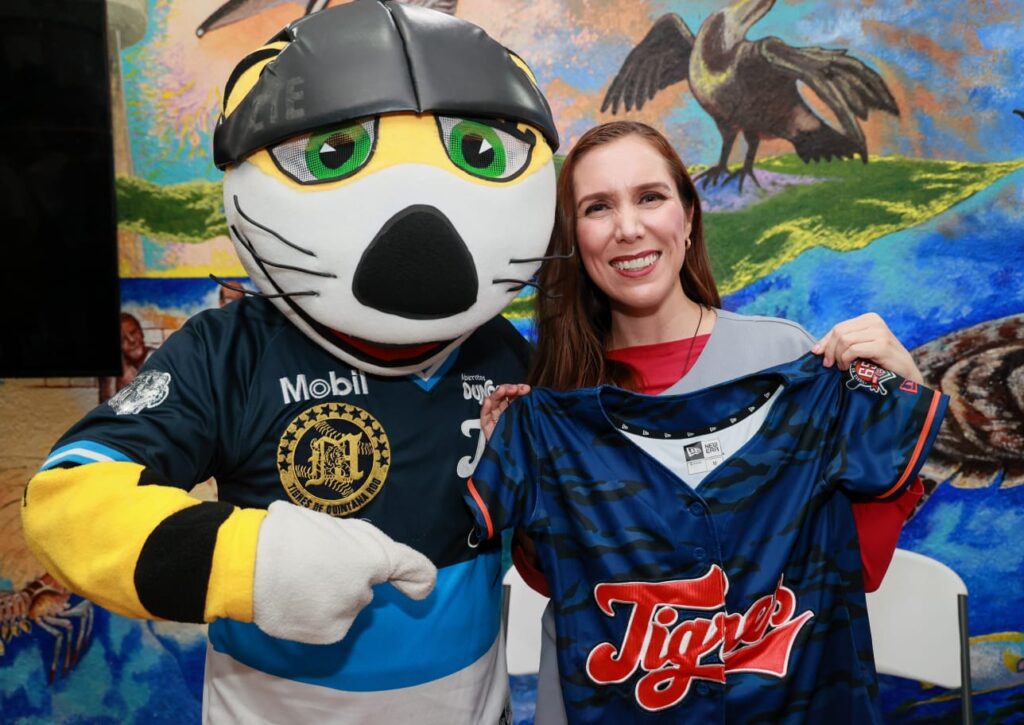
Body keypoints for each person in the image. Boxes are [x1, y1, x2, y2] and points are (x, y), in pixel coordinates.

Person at [471, 121, 944, 723]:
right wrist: (518, 468)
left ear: (688, 216)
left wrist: (899, 402)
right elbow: (559, 581)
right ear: (574, 236)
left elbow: (856, 567)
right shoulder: (556, 395)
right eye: (598, 207)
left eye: (650, 197)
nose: (628, 227)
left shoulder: (787, 360)